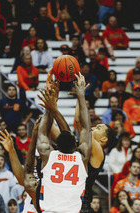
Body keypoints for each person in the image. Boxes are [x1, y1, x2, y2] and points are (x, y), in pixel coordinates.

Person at [33, 72, 91, 212]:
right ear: (76, 146)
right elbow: (86, 128)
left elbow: (43, 131)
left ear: (56, 145)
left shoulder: (48, 154)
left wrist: (50, 102)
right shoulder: (82, 156)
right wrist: (81, 95)